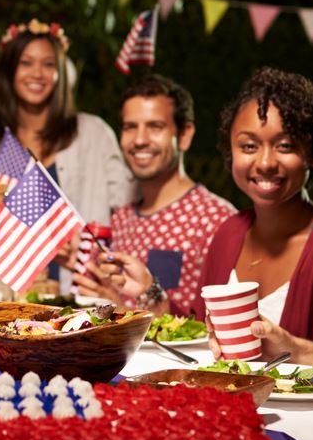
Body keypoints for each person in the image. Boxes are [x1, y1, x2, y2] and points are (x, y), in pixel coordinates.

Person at [93, 67, 313, 361]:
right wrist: (151, 293)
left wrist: (301, 354)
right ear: (230, 150)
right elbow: (202, 339)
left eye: (284, 145)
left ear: (312, 152)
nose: (265, 162)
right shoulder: (229, 233)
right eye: (248, 146)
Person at [0, 19, 136, 289]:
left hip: (82, 289)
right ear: (9, 71)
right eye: (26, 63)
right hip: (14, 293)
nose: (37, 73)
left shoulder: (92, 132)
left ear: (61, 72)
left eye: (48, 64)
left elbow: (130, 204)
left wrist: (86, 241)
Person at [71, 74, 235, 316]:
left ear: (185, 135)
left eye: (155, 127)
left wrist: (121, 311)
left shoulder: (216, 220)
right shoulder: (121, 218)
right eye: (130, 127)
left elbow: (225, 323)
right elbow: (119, 299)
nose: (139, 140)